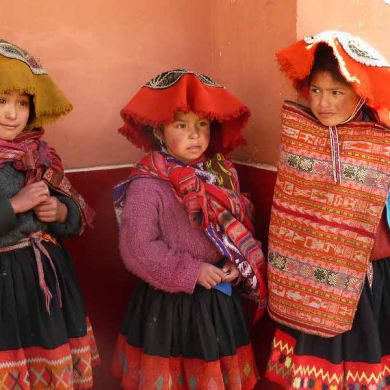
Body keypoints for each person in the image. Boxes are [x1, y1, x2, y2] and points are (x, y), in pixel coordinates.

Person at [111, 69, 267, 389]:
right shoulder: (147, 184)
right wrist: (192, 271)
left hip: (218, 303)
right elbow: (137, 248)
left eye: (202, 125)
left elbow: (237, 230)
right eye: (181, 126)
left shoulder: (222, 175)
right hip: (169, 307)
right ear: (159, 130)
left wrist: (235, 263)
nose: (194, 136)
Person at [265, 31, 390, 389]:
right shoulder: (299, 134)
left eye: (336, 92)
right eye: (317, 90)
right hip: (310, 280)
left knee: (366, 357)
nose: (324, 102)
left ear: (358, 93)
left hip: (368, 277)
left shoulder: (380, 139)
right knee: (318, 371)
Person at [0, 39, 99, 388]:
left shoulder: (40, 156)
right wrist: (14, 205)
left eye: (22, 103)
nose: (12, 113)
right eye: (2, 101)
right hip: (3, 288)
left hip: (46, 286)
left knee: (47, 372)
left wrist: (60, 211)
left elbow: (75, 218)